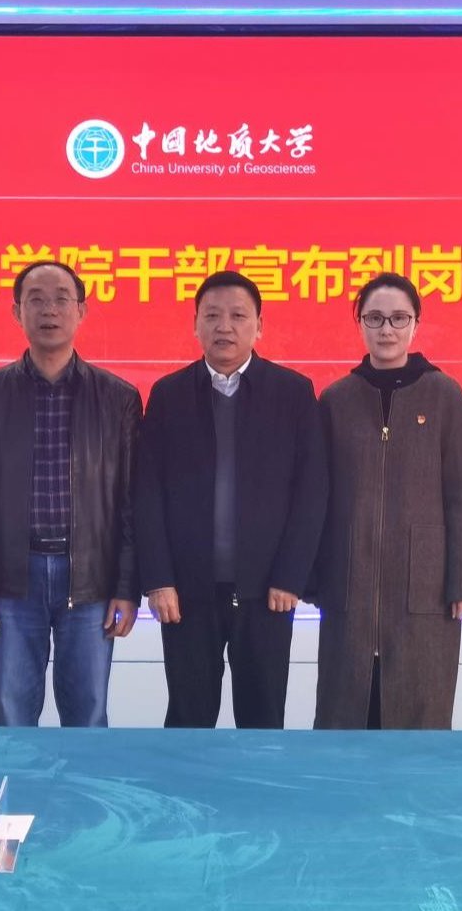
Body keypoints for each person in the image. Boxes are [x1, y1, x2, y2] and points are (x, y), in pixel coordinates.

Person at [136, 271, 328, 728]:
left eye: (239, 316)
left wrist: (291, 577)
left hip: (267, 593)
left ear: (259, 326)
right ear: (195, 325)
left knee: (262, 720)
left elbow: (311, 492)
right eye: (212, 316)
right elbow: (146, 493)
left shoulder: (292, 392)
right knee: (188, 720)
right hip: (186, 594)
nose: (225, 326)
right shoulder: (169, 395)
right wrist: (158, 579)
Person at [0, 261, 141, 726]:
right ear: (16, 311)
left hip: (91, 580)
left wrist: (126, 587)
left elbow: (130, 503)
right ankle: (17, 781)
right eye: (36, 299)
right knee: (12, 715)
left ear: (82, 310)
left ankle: (79, 782)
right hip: (11, 580)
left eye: (61, 299)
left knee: (88, 716)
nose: (50, 310)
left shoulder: (117, 398)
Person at [315, 273, 462, 729]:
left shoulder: (445, 395)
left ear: (416, 324)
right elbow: (317, 499)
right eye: (374, 318)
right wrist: (314, 578)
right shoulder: (336, 400)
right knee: (345, 715)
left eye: (398, 318)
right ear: (360, 323)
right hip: (350, 580)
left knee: (420, 715)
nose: (386, 329)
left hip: (425, 584)